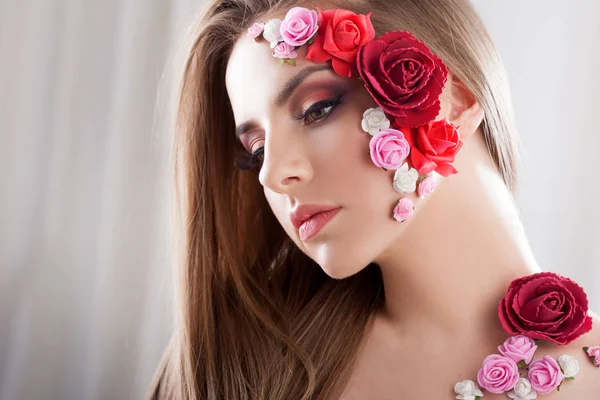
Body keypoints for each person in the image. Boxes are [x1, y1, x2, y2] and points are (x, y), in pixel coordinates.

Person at [149, 0, 600, 398]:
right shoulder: (234, 358)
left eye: (317, 108)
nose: (272, 173)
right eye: (257, 150)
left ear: (455, 98)